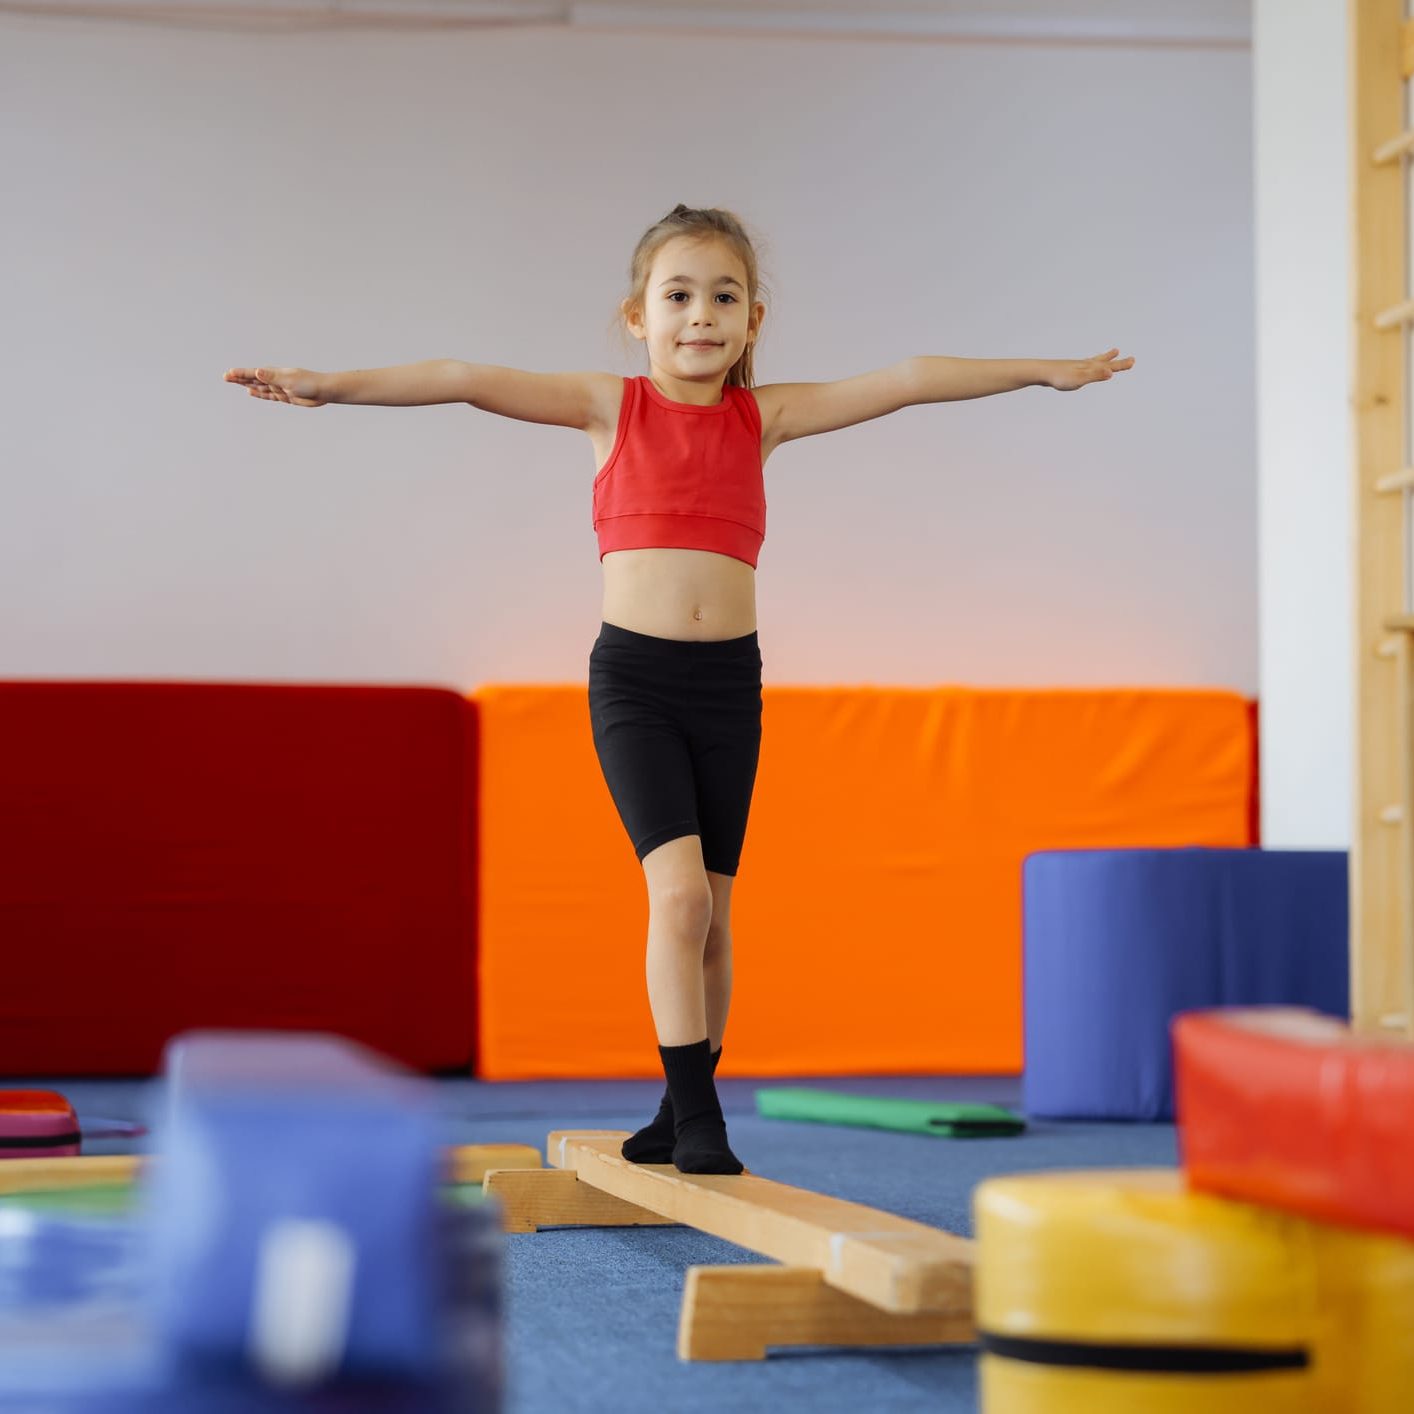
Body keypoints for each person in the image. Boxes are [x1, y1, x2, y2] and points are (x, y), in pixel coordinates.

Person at [224, 203, 1134, 1176]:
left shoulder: (764, 415)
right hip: (637, 681)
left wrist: (1042, 370)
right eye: (678, 296)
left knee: (717, 911)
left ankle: (674, 1104)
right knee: (680, 897)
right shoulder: (608, 407)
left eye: (723, 297)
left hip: (727, 687)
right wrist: (328, 386)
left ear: (753, 320)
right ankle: (702, 1115)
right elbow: (461, 379)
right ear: (636, 315)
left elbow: (905, 380)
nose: (700, 316)